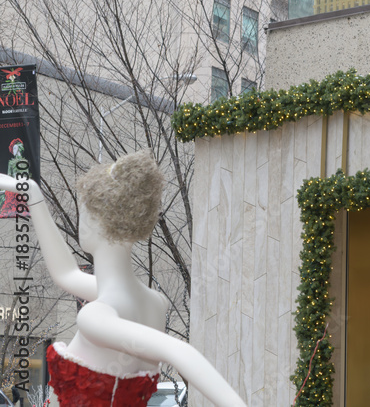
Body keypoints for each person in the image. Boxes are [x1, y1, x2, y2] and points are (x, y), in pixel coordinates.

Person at [0, 151, 246, 407]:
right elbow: (66, 274)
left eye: (81, 212)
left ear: (92, 222)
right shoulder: (153, 303)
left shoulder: (97, 314)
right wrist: (32, 194)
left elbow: (182, 352)